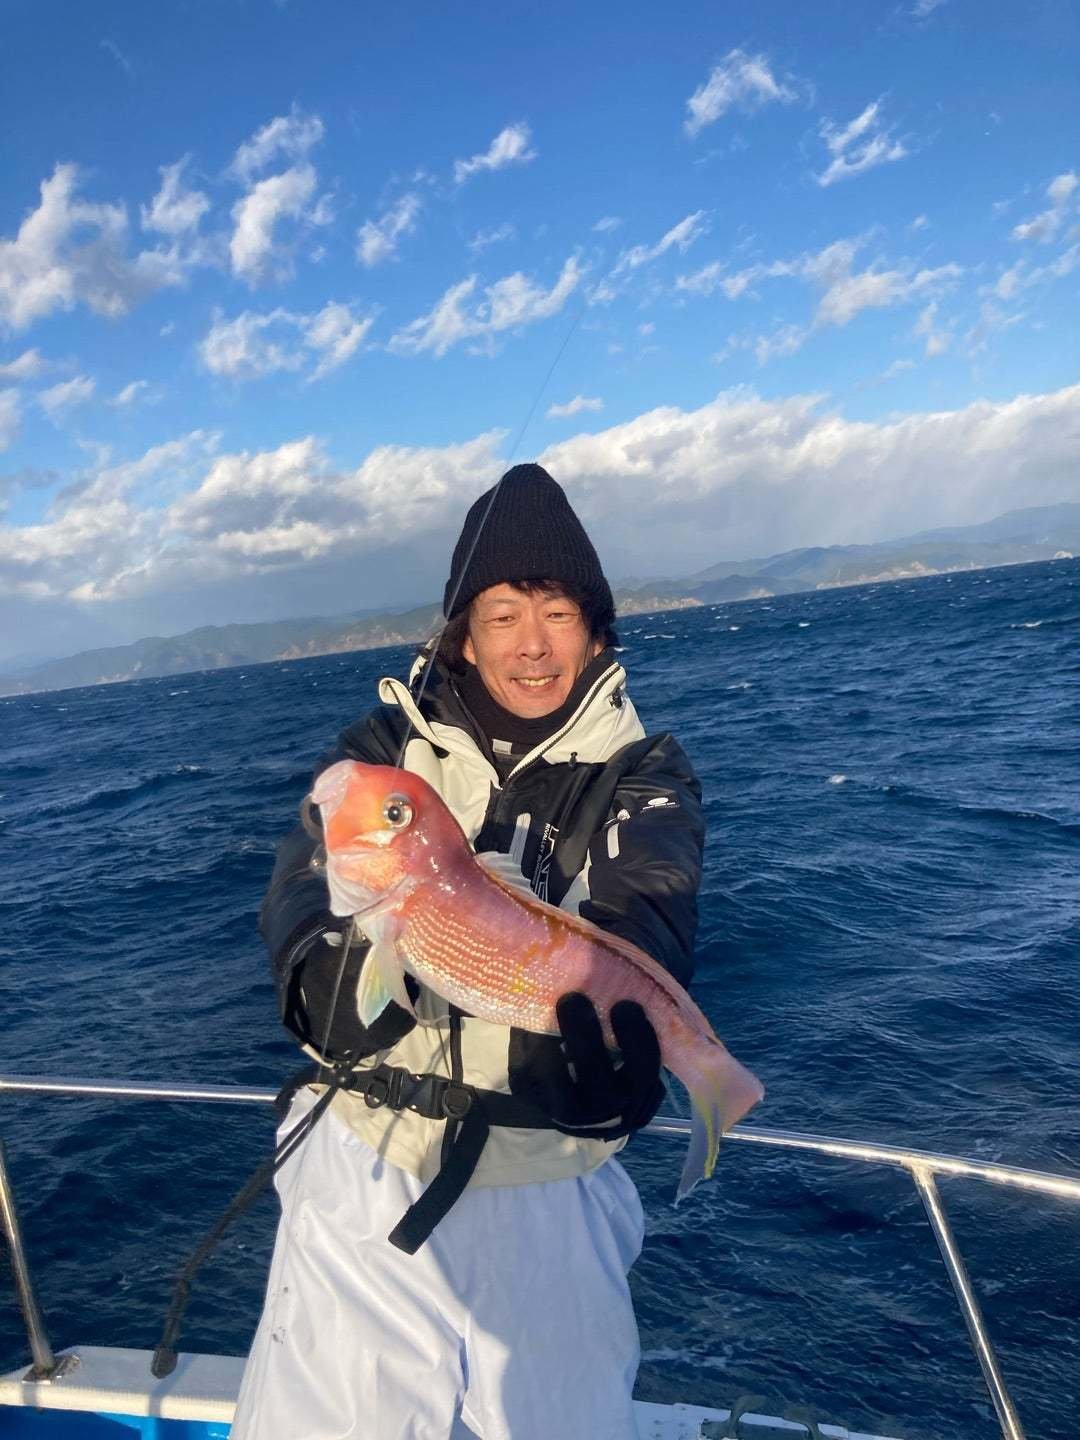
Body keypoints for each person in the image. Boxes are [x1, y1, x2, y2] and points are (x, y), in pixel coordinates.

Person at [231, 463, 705, 1440]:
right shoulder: (380, 750)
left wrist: (611, 1065)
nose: (532, 644)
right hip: (364, 1165)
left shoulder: (642, 771)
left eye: (559, 612)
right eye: (501, 615)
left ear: (596, 630)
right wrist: (314, 969)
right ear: (462, 634)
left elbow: (646, 907)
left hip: (548, 1178)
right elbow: (302, 881)